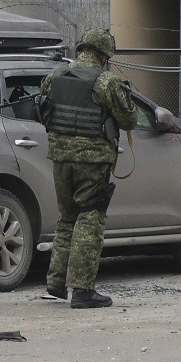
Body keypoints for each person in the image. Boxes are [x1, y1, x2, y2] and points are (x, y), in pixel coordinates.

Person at [39, 27, 137, 309]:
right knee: (89, 220)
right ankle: (82, 290)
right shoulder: (106, 82)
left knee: (67, 217)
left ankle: (56, 283)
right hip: (92, 161)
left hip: (59, 158)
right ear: (104, 55)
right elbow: (129, 119)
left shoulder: (54, 76)